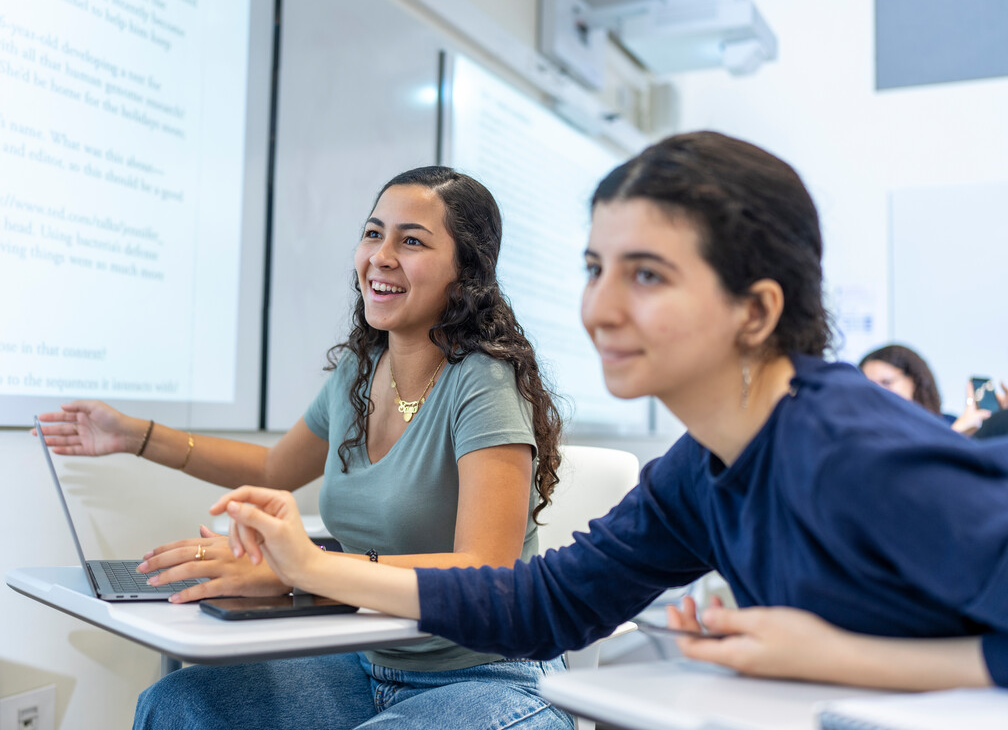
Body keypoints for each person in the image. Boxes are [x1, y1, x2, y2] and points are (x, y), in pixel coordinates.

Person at [213, 132, 1008, 692]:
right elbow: (545, 603)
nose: (600, 308)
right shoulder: (699, 473)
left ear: (756, 311)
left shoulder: (852, 450)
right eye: (596, 268)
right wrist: (312, 568)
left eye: (648, 276)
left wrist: (837, 655)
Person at [37, 165, 574, 730]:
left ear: (465, 273)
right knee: (179, 706)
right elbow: (274, 467)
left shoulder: (484, 382)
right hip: (369, 665)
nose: (381, 256)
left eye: (411, 240)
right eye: (373, 233)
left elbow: (483, 568)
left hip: (489, 676)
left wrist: (306, 568)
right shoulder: (361, 371)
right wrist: (136, 436)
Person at [859, 343, 998, 435]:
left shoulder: (948, 422)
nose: (877, 391)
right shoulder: (865, 434)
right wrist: (954, 435)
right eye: (869, 385)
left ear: (914, 380)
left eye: (886, 382)